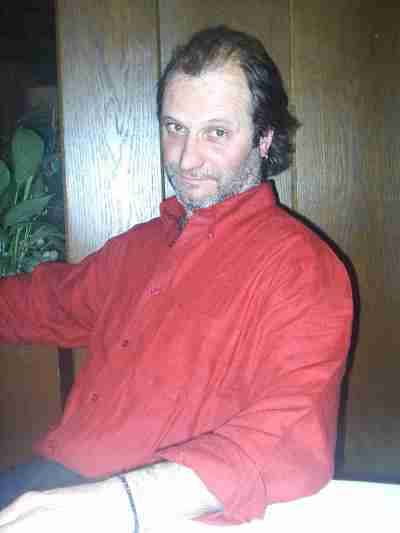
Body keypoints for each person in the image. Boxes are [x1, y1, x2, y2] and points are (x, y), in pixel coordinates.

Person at [0, 25, 353, 532]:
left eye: (216, 132)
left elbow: (292, 440)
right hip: (53, 481)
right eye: (175, 127)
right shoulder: (140, 246)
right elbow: (43, 303)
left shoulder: (301, 267)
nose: (186, 159)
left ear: (265, 137)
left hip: (156, 512)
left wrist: (122, 503)